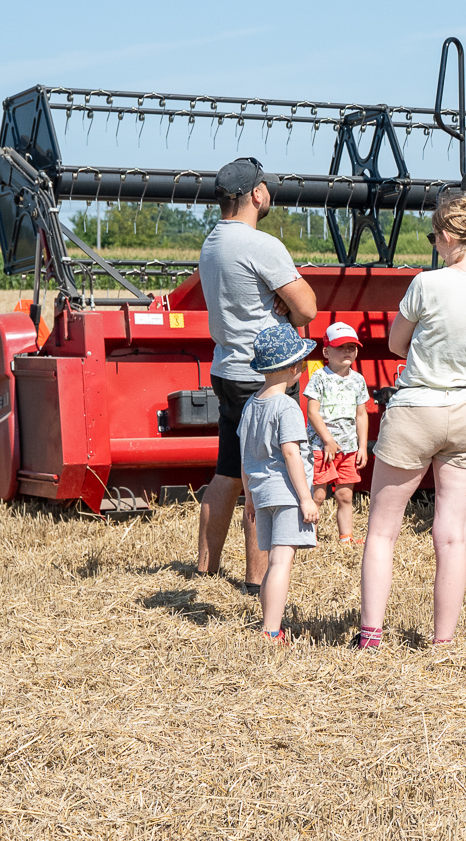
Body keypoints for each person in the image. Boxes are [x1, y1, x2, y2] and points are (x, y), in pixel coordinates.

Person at [354, 193, 466, 650]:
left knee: (383, 530)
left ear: (446, 238)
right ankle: (443, 641)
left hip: (417, 409)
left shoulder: (427, 284)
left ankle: (371, 636)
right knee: (451, 538)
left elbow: (396, 345)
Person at [197, 156, 318, 592]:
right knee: (264, 478)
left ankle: (206, 568)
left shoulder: (211, 243)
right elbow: (307, 308)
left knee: (229, 470)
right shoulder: (261, 245)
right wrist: (282, 301)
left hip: (227, 368)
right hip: (265, 374)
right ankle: (256, 579)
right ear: (257, 194)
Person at [239, 322, 320, 643]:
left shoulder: (250, 406)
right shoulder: (286, 406)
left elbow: (245, 458)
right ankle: (271, 630)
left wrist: (248, 497)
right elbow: (291, 454)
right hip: (287, 495)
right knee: (280, 563)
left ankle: (270, 624)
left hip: (261, 495)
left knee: (275, 560)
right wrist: (306, 498)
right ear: (293, 367)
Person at [304, 321, 370, 543]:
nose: (347, 351)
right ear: (326, 351)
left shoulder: (358, 380)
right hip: (322, 448)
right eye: (341, 347)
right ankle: (308, 540)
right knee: (318, 495)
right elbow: (312, 412)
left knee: (345, 495)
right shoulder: (319, 378)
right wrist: (327, 440)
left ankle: (346, 538)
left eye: (351, 347)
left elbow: (361, 414)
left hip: (349, 448)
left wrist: (362, 446)